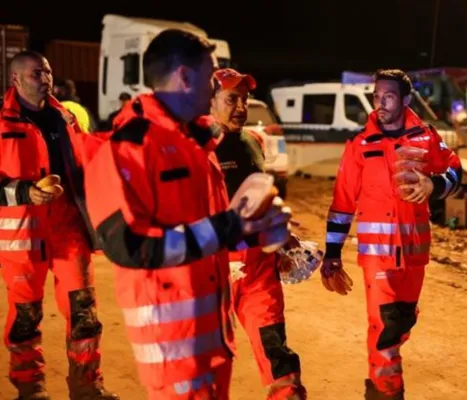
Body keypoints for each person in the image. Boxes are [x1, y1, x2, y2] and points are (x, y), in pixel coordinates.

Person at [84, 29, 292, 400]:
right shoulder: (126, 150)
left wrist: (259, 230)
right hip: (172, 347)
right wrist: (230, 226)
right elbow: (127, 247)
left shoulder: (196, 147)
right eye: (211, 75)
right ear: (184, 77)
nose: (214, 87)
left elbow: (207, 226)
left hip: (210, 336)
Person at [321, 69, 462, 400]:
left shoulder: (426, 137)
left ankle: (376, 386)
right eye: (376, 96)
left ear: (406, 100)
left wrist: (434, 185)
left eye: (388, 96)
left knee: (401, 322)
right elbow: (342, 203)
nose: (379, 103)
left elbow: (456, 171)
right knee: (384, 328)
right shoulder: (360, 145)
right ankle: (387, 392)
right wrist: (332, 254)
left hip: (414, 254)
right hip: (377, 255)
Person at [0, 51, 118, 399]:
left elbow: (88, 164)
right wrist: (24, 191)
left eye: (48, 71)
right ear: (16, 80)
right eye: (37, 73)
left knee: (83, 311)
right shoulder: (2, 121)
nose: (46, 78)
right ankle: (30, 388)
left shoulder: (65, 117)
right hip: (22, 234)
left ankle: (86, 386)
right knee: (26, 317)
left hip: (67, 226)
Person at [210, 68, 306, 399]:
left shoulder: (254, 141)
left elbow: (261, 195)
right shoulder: (196, 147)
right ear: (210, 101)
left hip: (257, 266)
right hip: (212, 269)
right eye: (231, 99)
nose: (241, 106)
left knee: (274, 347)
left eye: (245, 99)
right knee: (206, 362)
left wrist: (283, 236)